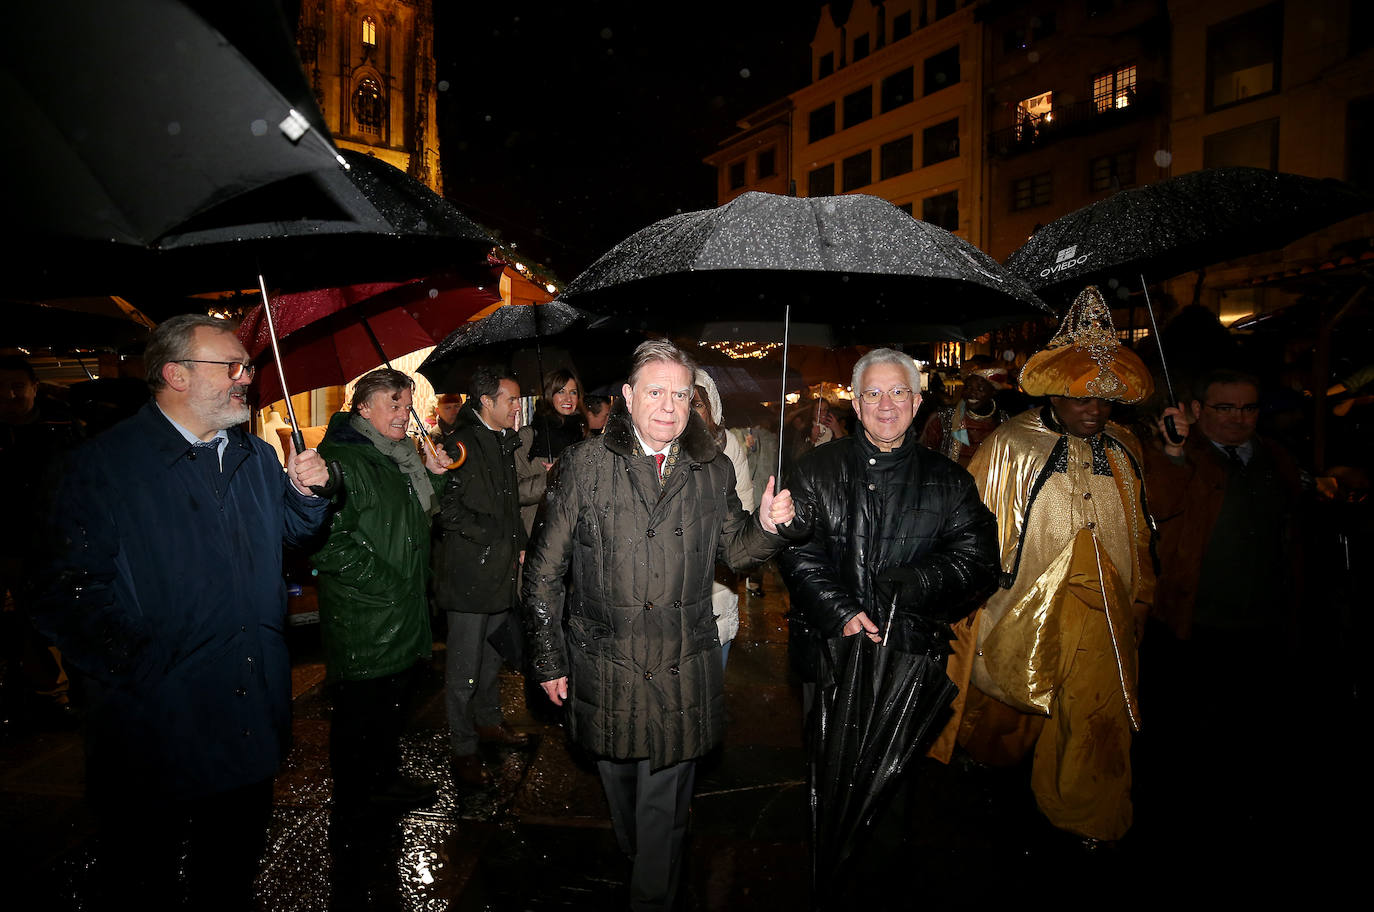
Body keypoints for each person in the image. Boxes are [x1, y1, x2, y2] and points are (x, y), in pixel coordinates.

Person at [32, 314, 332, 908]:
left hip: (248, 709)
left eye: (246, 365)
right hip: (156, 727)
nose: (246, 377)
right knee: (145, 877)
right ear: (175, 374)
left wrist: (306, 493)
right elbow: (62, 590)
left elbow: (294, 535)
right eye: (232, 366)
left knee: (229, 873)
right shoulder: (102, 467)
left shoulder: (253, 455)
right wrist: (143, 666)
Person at [524, 339, 797, 912]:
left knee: (663, 811)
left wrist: (769, 526)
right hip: (605, 662)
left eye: (680, 394)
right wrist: (548, 659)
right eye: (656, 392)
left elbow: (740, 552)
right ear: (628, 397)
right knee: (622, 787)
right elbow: (544, 571)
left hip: (681, 664)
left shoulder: (711, 468)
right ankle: (638, 852)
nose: (670, 407)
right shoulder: (585, 466)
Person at [959, 286, 1156, 844]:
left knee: (1097, 715)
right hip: (1021, 604)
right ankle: (990, 767)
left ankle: (1087, 813)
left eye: (1105, 400)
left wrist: (1142, 596)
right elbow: (977, 525)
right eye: (1082, 399)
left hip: (1102, 610)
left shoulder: (1124, 447)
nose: (1095, 410)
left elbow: (1141, 529)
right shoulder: (1012, 445)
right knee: (1007, 708)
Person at [779, 347, 999, 757]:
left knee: (892, 781)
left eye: (898, 393)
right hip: (829, 652)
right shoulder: (816, 468)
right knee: (828, 774)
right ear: (857, 405)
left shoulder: (950, 481)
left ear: (916, 403)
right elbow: (797, 551)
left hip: (910, 655)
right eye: (873, 394)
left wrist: (919, 582)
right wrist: (841, 611)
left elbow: (980, 560)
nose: (885, 406)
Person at [1142, 368, 1303, 834]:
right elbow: (1154, 507)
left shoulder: (1275, 458)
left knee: (1251, 735)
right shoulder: (1181, 457)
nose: (1238, 419)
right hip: (1194, 624)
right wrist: (1171, 451)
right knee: (1189, 737)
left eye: (1248, 408)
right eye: (1225, 408)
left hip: (1263, 623)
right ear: (1196, 410)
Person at [312, 368, 452, 811]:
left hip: (399, 610)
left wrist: (435, 474)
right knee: (360, 714)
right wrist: (388, 586)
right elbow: (326, 545)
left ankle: (384, 779)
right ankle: (356, 803)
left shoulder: (396, 455)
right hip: (366, 616)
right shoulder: (343, 459)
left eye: (407, 404)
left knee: (390, 708)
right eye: (394, 403)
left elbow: (417, 515)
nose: (403, 413)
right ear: (364, 407)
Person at [432, 367, 530, 787]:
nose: (516, 407)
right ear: (486, 401)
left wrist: (520, 540)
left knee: (491, 657)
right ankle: (463, 749)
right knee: (463, 670)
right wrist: (495, 535)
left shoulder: (501, 441)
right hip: (470, 575)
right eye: (510, 399)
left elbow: (508, 502)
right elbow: (447, 509)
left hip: (499, 570)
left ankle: (489, 723)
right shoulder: (461, 443)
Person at [2, 354, 82, 731]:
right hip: (12, 542)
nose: (10, 394)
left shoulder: (62, 426)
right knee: (29, 619)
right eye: (3, 387)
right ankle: (51, 693)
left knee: (74, 611)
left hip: (60, 539)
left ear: (35, 387)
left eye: (18, 385)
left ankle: (82, 688)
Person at [691, 368, 756, 668]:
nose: (689, 410)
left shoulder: (729, 447)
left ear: (712, 409)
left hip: (715, 588)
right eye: (682, 399)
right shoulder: (659, 447)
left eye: (698, 403)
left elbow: (741, 524)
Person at [918, 357, 1011, 467]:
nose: (972, 393)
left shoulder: (1004, 421)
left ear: (993, 391)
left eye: (980, 388)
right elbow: (923, 457)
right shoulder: (944, 419)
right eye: (968, 387)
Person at [530, 367, 587, 460]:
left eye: (573, 392)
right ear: (549, 395)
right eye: (561, 392)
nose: (568, 399)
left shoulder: (583, 431)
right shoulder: (537, 432)